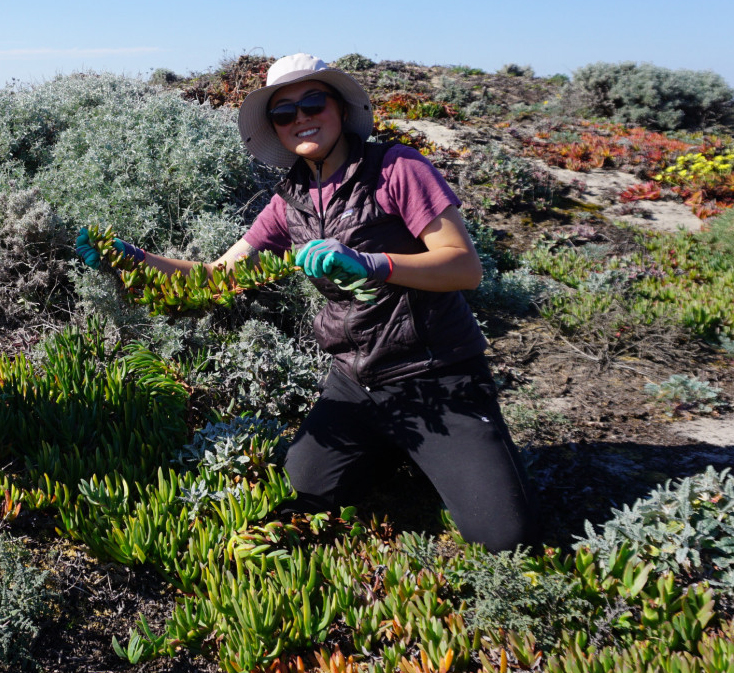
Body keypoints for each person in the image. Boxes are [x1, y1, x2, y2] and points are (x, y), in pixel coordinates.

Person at [77, 53, 535, 551]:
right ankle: (396, 448)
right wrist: (131, 258)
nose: (301, 118)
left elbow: (464, 266)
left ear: (339, 109)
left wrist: (372, 263)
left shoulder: (396, 167)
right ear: (275, 128)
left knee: (505, 539)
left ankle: (438, 451)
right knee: (297, 498)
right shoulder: (287, 202)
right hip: (354, 383)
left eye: (313, 102)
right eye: (284, 113)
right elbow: (216, 277)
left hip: (436, 373)